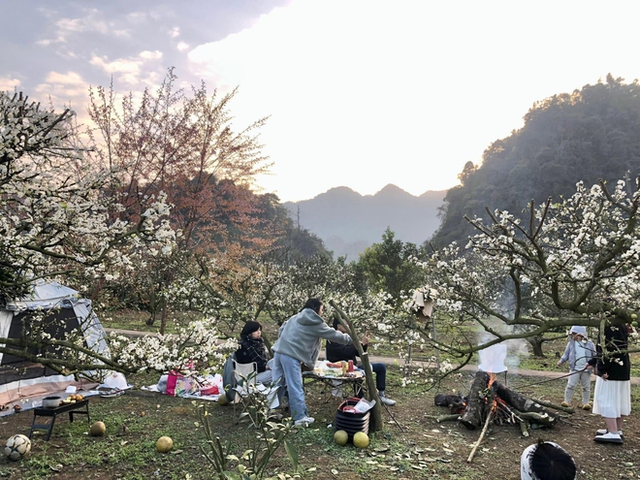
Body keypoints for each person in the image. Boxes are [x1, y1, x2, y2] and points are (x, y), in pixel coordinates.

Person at [271, 298, 352, 427]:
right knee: (295, 386)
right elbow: (333, 335)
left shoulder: (295, 317)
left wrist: (283, 342)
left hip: (279, 351)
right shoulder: (315, 323)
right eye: (322, 309)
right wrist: (351, 339)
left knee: (276, 383)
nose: (322, 313)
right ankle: (299, 418)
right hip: (291, 356)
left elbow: (282, 329)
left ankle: (270, 412)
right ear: (315, 309)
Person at [326, 318, 396, 406]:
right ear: (339, 326)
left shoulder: (348, 337)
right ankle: (360, 398)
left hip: (353, 367)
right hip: (341, 369)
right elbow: (345, 351)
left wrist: (364, 344)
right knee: (358, 374)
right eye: (345, 324)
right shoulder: (333, 338)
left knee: (381, 367)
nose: (348, 326)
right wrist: (359, 344)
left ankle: (381, 395)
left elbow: (359, 353)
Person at [589, 316, 631, 444]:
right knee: (620, 398)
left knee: (607, 398)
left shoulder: (607, 326)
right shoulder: (622, 324)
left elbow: (606, 349)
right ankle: (617, 429)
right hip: (622, 367)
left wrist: (601, 369)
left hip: (610, 370)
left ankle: (613, 432)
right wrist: (592, 361)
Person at [556, 325, 596, 410]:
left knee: (586, 387)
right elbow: (566, 354)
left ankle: (585, 403)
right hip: (575, 369)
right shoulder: (571, 343)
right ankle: (567, 401)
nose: (573, 336)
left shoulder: (590, 344)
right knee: (571, 385)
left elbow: (594, 356)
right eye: (572, 334)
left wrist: (593, 365)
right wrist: (561, 361)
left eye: (574, 334)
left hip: (586, 369)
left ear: (581, 334)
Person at [235, 320, 272, 385]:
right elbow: (247, 366)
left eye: (259, 330)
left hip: (259, 372)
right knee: (275, 374)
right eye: (256, 331)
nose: (259, 332)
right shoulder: (243, 346)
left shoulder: (258, 343)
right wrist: (264, 368)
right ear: (249, 332)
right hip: (249, 377)